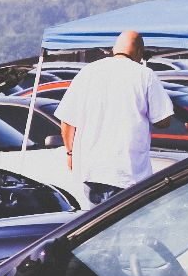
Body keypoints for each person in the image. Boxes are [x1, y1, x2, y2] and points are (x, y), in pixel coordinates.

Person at [56, 30, 173, 204]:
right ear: (140, 52)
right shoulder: (144, 75)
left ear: (113, 49)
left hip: (92, 171)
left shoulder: (88, 72)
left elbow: (67, 121)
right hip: (128, 173)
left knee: (98, 228)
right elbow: (163, 120)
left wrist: (70, 152)